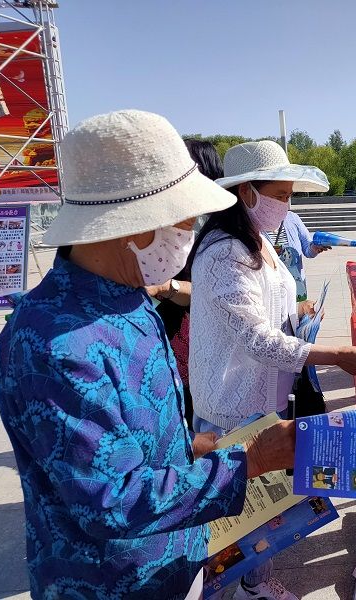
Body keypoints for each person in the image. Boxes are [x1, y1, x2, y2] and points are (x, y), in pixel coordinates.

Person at [0, 110, 295, 600]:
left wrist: (189, 449)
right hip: (113, 584)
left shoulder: (127, 297)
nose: (190, 233)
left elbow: (130, 436)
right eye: (183, 219)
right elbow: (111, 501)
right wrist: (251, 461)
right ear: (129, 225)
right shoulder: (51, 344)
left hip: (175, 560)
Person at [188, 140, 356, 597]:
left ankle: (255, 584)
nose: (287, 205)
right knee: (232, 523)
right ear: (247, 192)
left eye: (290, 195)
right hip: (232, 405)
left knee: (260, 518)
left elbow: (266, 308)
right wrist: (335, 355)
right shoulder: (224, 252)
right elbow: (257, 337)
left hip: (260, 399)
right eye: (280, 194)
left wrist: (299, 312)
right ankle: (239, 589)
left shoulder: (256, 240)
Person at [145, 138, 225, 427]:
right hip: (159, 339)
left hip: (191, 342)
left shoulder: (216, 229)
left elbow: (211, 291)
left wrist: (167, 287)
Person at [265, 208, 330, 302]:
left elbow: (308, 249)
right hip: (270, 287)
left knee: (298, 310)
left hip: (296, 282)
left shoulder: (292, 217)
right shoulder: (253, 222)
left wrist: (314, 248)